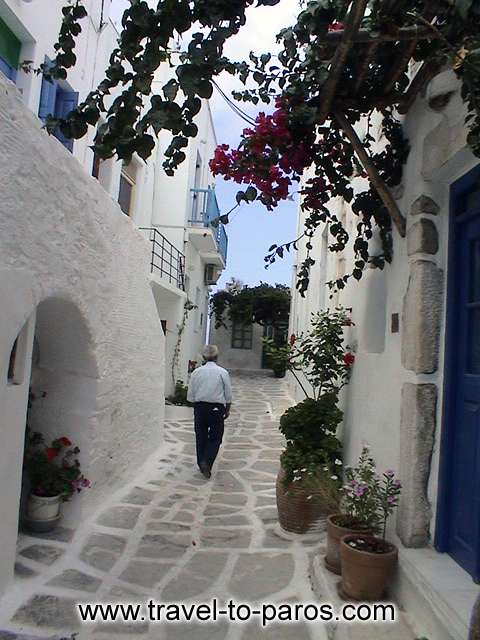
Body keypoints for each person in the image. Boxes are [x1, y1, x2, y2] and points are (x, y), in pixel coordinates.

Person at [187, 345, 232, 479]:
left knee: (200, 436)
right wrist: (227, 409)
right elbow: (228, 394)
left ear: (204, 357)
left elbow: (190, 395)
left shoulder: (196, 372)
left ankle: (202, 462)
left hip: (200, 407)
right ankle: (207, 461)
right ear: (217, 357)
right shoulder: (222, 372)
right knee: (215, 437)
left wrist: (195, 405)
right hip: (216, 408)